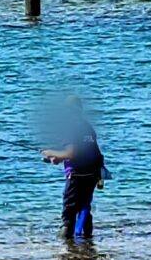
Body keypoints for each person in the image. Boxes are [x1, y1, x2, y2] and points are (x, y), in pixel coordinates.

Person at [42, 98, 106, 242]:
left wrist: (50, 152)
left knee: (69, 211)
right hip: (92, 173)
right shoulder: (87, 127)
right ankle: (87, 242)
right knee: (84, 208)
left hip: (77, 175)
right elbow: (86, 151)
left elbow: (71, 153)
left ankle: (66, 246)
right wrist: (58, 158)